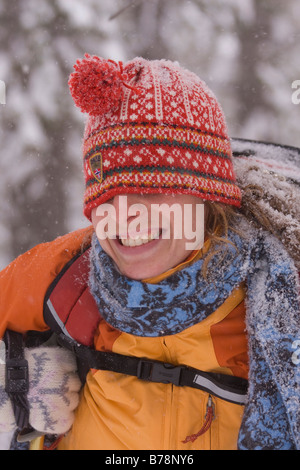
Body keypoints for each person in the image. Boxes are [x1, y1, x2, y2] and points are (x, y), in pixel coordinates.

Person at [0, 54, 299, 451]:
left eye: (153, 188)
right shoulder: (63, 279)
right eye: (110, 194)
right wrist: (14, 386)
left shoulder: (280, 299)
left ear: (207, 197)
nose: (126, 214)